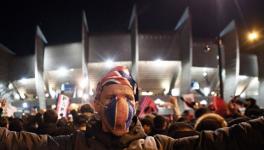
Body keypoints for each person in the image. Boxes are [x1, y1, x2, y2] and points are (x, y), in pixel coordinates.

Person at [0, 66, 264, 150]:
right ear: (96, 104)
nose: (121, 103)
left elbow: (229, 139)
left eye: (128, 97)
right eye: (112, 96)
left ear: (137, 104)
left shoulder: (159, 146)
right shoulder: (74, 144)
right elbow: (15, 142)